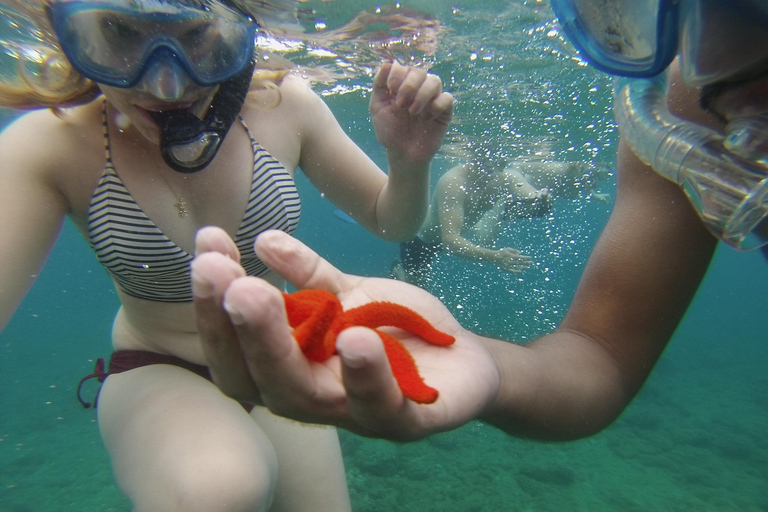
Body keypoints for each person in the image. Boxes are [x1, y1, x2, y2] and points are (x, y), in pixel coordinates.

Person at [188, 0, 767, 443]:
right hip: (434, 242)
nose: (705, 57)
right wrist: (484, 364)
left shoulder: (686, 109)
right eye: (665, 11)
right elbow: (598, 358)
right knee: (417, 265)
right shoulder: (686, 110)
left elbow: (523, 189)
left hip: (463, 235)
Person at [0, 0, 453, 510]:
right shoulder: (48, 147)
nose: (166, 86)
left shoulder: (285, 106)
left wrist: (408, 161)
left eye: (195, 35)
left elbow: (389, 220)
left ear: (241, 30)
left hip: (283, 363)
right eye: (120, 32)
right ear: (65, 31)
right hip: (159, 367)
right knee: (220, 488)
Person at [391, 154, 611, 284]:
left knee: (529, 207)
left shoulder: (506, 174)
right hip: (420, 241)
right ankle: (398, 271)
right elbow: (450, 240)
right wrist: (495, 257)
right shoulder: (453, 182)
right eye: (484, 164)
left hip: (455, 231)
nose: (491, 172)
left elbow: (528, 192)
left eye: (498, 165)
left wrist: (539, 199)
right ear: (473, 159)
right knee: (414, 286)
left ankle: (502, 212)